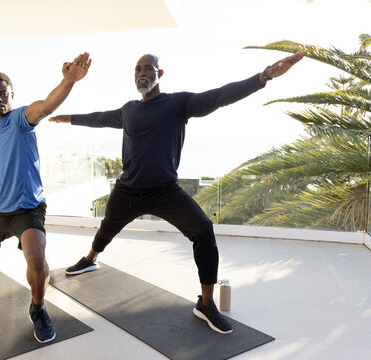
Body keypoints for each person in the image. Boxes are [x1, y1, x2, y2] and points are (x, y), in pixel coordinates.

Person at [49, 51, 305, 334]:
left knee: (204, 231)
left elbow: (220, 95)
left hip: (164, 192)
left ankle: (206, 304)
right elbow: (99, 117)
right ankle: (89, 260)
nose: (142, 73)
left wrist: (265, 75)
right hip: (127, 190)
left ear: (160, 73)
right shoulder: (129, 110)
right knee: (108, 226)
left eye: (148, 68)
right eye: (137, 69)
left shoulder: (178, 103)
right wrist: (68, 118)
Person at [0, 52, 92, 343]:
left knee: (35, 259)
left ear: (11, 95)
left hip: (29, 209)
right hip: (1, 209)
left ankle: (38, 308)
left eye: (3, 93)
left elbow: (46, 106)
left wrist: (68, 82)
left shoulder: (21, 119)